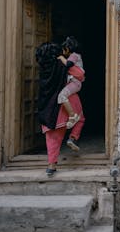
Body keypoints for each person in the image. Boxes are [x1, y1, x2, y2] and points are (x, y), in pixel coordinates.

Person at [35, 42, 86, 177]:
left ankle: (51, 165)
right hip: (67, 102)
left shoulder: (43, 67)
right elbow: (80, 75)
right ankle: (73, 138)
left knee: (52, 136)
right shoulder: (62, 64)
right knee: (79, 119)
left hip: (49, 106)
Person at [57, 36, 85, 130]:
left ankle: (72, 116)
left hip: (75, 82)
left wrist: (61, 58)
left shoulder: (74, 55)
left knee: (61, 96)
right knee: (63, 96)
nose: (63, 52)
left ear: (67, 49)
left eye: (63, 50)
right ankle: (73, 116)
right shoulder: (77, 56)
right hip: (75, 82)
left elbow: (68, 64)